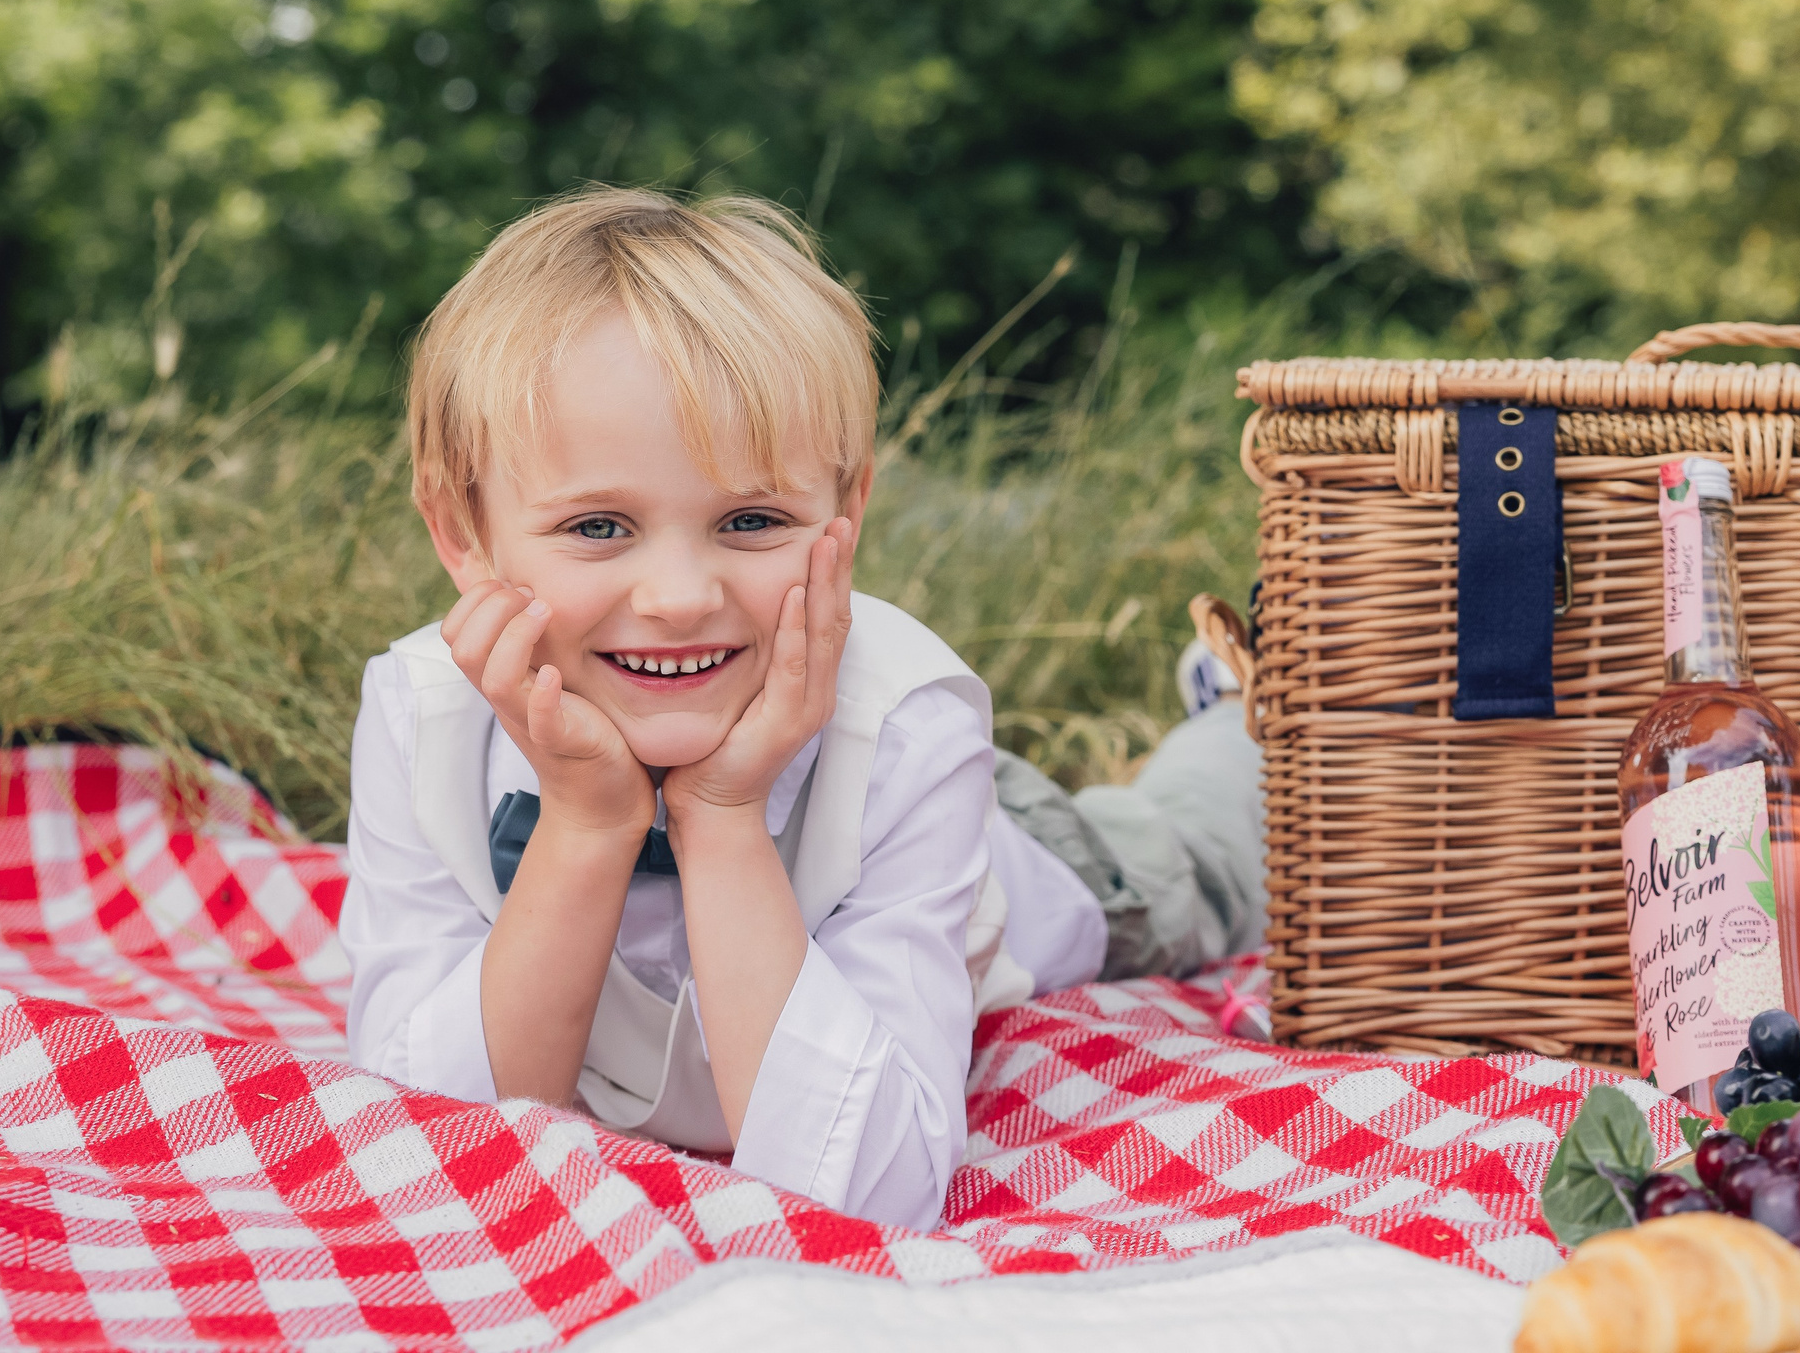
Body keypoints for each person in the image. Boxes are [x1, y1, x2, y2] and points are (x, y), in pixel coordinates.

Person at [339, 190, 1262, 1230]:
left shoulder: (907, 724)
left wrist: (723, 814)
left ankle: (1238, 705)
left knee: (1211, 850)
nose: (679, 597)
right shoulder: (425, 720)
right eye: (598, 527)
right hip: (823, 772)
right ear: (461, 532)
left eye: (750, 520)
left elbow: (871, 1194)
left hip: (1029, 854)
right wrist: (588, 824)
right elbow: (424, 1153)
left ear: (844, 513)